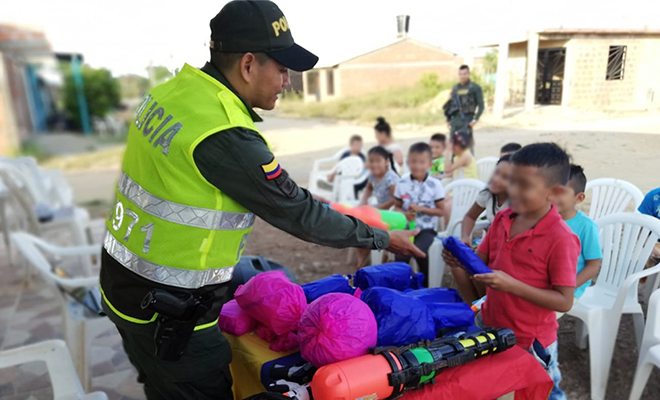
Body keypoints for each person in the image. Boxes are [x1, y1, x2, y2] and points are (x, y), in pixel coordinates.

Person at [99, 2, 423, 399]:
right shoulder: (225, 134)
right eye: (282, 69)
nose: (287, 82)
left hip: (124, 286)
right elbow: (302, 216)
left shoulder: (172, 94)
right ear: (249, 64)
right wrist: (382, 237)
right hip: (172, 313)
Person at [444, 143, 580, 400]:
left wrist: (512, 285)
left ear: (554, 192)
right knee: (498, 386)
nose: (513, 191)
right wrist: (459, 260)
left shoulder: (561, 238)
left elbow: (564, 301)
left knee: (541, 391)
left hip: (530, 340)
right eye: (511, 181)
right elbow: (480, 263)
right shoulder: (502, 218)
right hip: (491, 324)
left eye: (524, 185)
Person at [394, 143, 446, 287]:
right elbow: (397, 206)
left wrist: (420, 209)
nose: (417, 166)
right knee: (400, 254)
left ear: (429, 164)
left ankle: (426, 286)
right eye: (414, 161)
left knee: (420, 252)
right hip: (405, 228)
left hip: (426, 229)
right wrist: (405, 214)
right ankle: (401, 288)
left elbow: (441, 211)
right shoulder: (402, 182)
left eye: (422, 162)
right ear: (408, 162)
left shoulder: (435, 184)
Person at [554, 164, 602, 306]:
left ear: (579, 198)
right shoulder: (540, 218)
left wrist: (569, 286)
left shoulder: (586, 226)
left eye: (560, 192)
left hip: (570, 288)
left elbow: (593, 266)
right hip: (542, 282)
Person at [356, 146, 401, 267]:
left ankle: (377, 260)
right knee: (358, 223)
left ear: (386, 161)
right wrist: (363, 202)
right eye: (371, 161)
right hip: (379, 210)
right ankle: (362, 259)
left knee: (366, 227)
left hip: (392, 212)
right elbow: (368, 188)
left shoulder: (390, 177)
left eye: (378, 161)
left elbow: (396, 200)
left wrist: (377, 209)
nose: (374, 164)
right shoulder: (373, 176)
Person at [460, 154, 512, 245]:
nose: (496, 179)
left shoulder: (519, 205)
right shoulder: (487, 194)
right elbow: (470, 217)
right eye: (496, 172)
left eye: (505, 177)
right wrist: (465, 236)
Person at [446, 65, 484, 149]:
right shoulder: (455, 88)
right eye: (460, 74)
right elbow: (450, 104)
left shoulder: (475, 88)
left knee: (466, 147)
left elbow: (481, 106)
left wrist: (475, 120)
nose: (462, 76)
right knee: (453, 146)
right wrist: (448, 119)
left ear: (468, 74)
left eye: (464, 74)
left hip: (467, 119)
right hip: (455, 120)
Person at [638, 186, 660, 270]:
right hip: (654, 242)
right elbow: (642, 227)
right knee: (642, 261)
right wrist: (650, 247)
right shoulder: (653, 196)